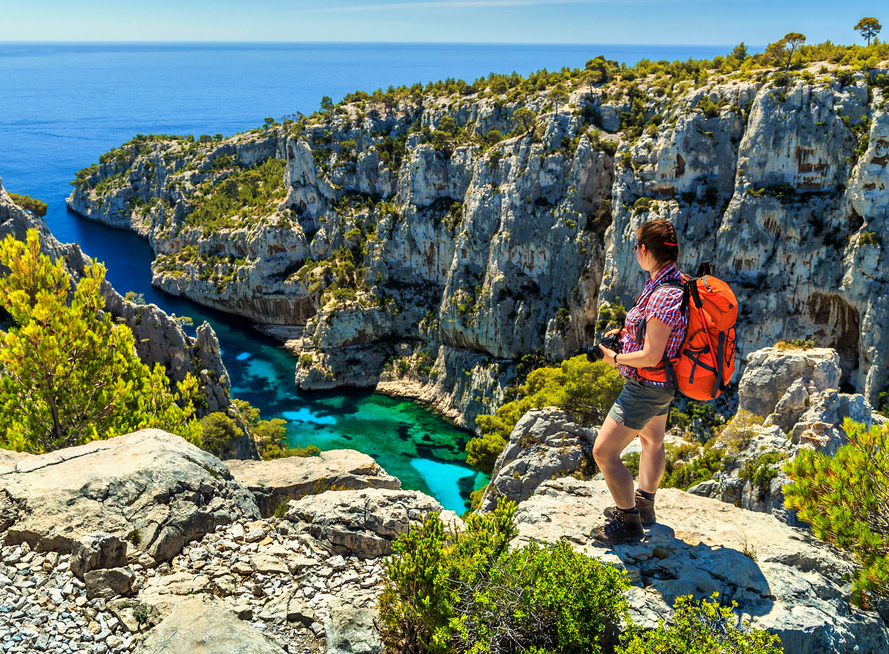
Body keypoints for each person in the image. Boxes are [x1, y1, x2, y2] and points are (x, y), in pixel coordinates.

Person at [592, 219, 688, 545]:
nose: (635, 252)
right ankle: (644, 506)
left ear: (644, 250)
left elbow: (650, 355)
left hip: (645, 386)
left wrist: (614, 358)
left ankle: (628, 522)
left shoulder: (664, 295)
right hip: (662, 386)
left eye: (636, 247)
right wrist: (623, 337)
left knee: (604, 452)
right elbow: (651, 334)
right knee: (653, 440)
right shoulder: (670, 283)